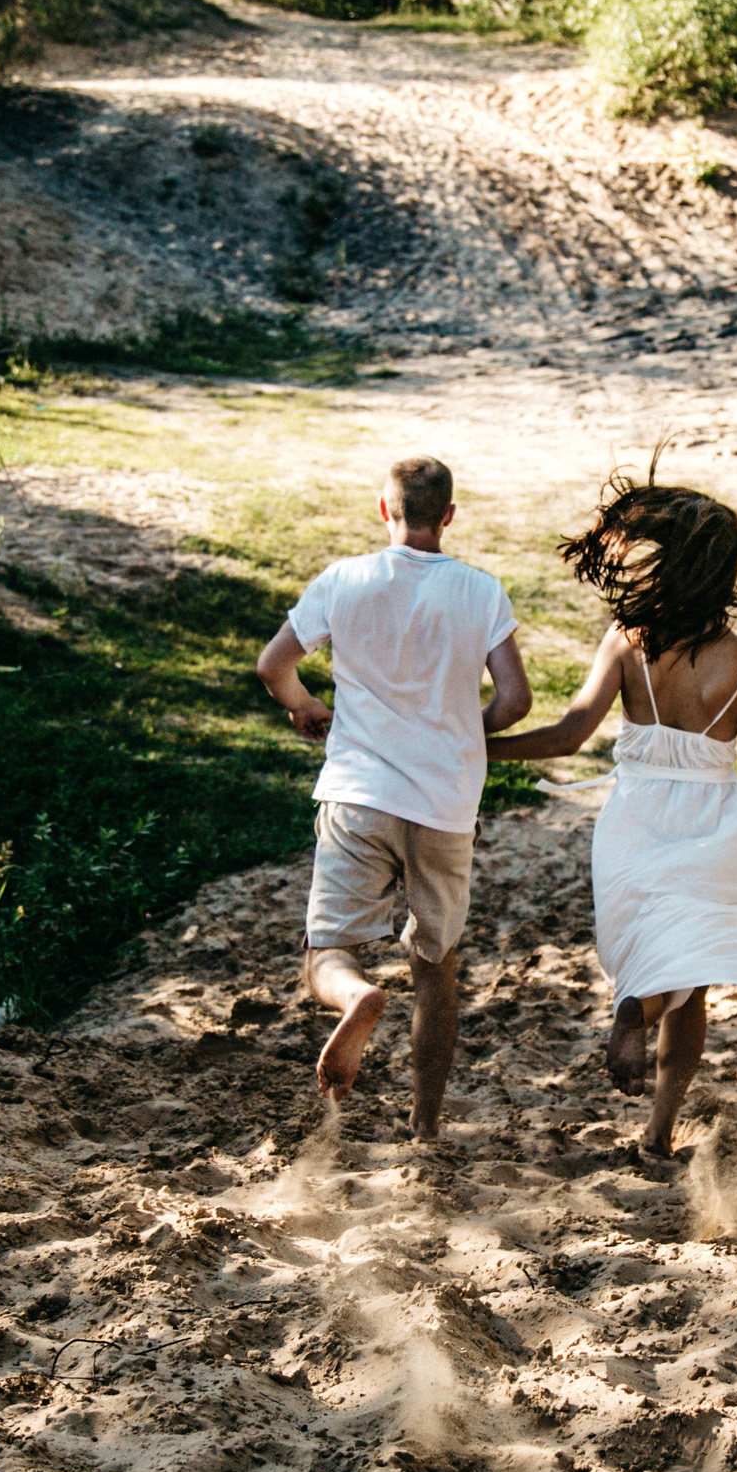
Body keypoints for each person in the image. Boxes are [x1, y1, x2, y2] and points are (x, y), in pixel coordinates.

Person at [487, 473, 737, 1157]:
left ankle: (635, 1019)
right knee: (689, 979)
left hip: (633, 823)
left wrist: (483, 748)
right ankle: (656, 1119)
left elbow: (568, 735)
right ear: (723, 576)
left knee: (656, 960)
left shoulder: (626, 641)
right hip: (712, 831)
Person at [255, 456, 530, 1140]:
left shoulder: (342, 579)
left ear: (385, 510)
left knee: (327, 949)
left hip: (359, 792)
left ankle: (356, 995)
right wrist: (464, 731)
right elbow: (515, 700)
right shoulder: (480, 590)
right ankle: (425, 1125)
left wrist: (305, 706)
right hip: (443, 805)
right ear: (448, 516)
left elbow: (273, 665)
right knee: (436, 967)